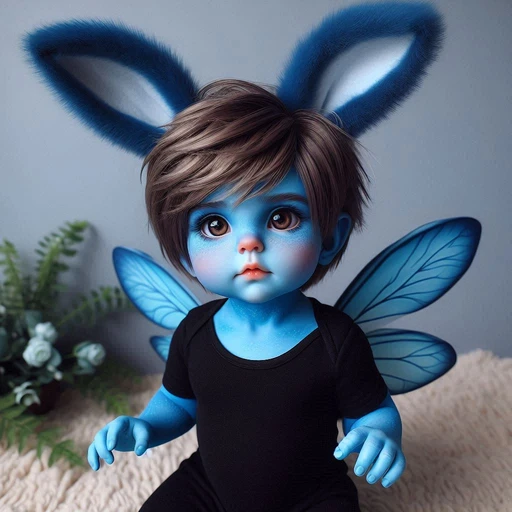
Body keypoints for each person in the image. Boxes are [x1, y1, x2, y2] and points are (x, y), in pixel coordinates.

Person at [88, 79, 406, 511]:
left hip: (310, 495)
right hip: (210, 489)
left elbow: (372, 409)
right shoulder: (195, 333)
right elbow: (178, 402)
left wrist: (377, 434)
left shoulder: (337, 340)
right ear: (183, 249)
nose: (248, 244)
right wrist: (145, 426)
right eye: (215, 225)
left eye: (281, 217)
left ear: (330, 238)